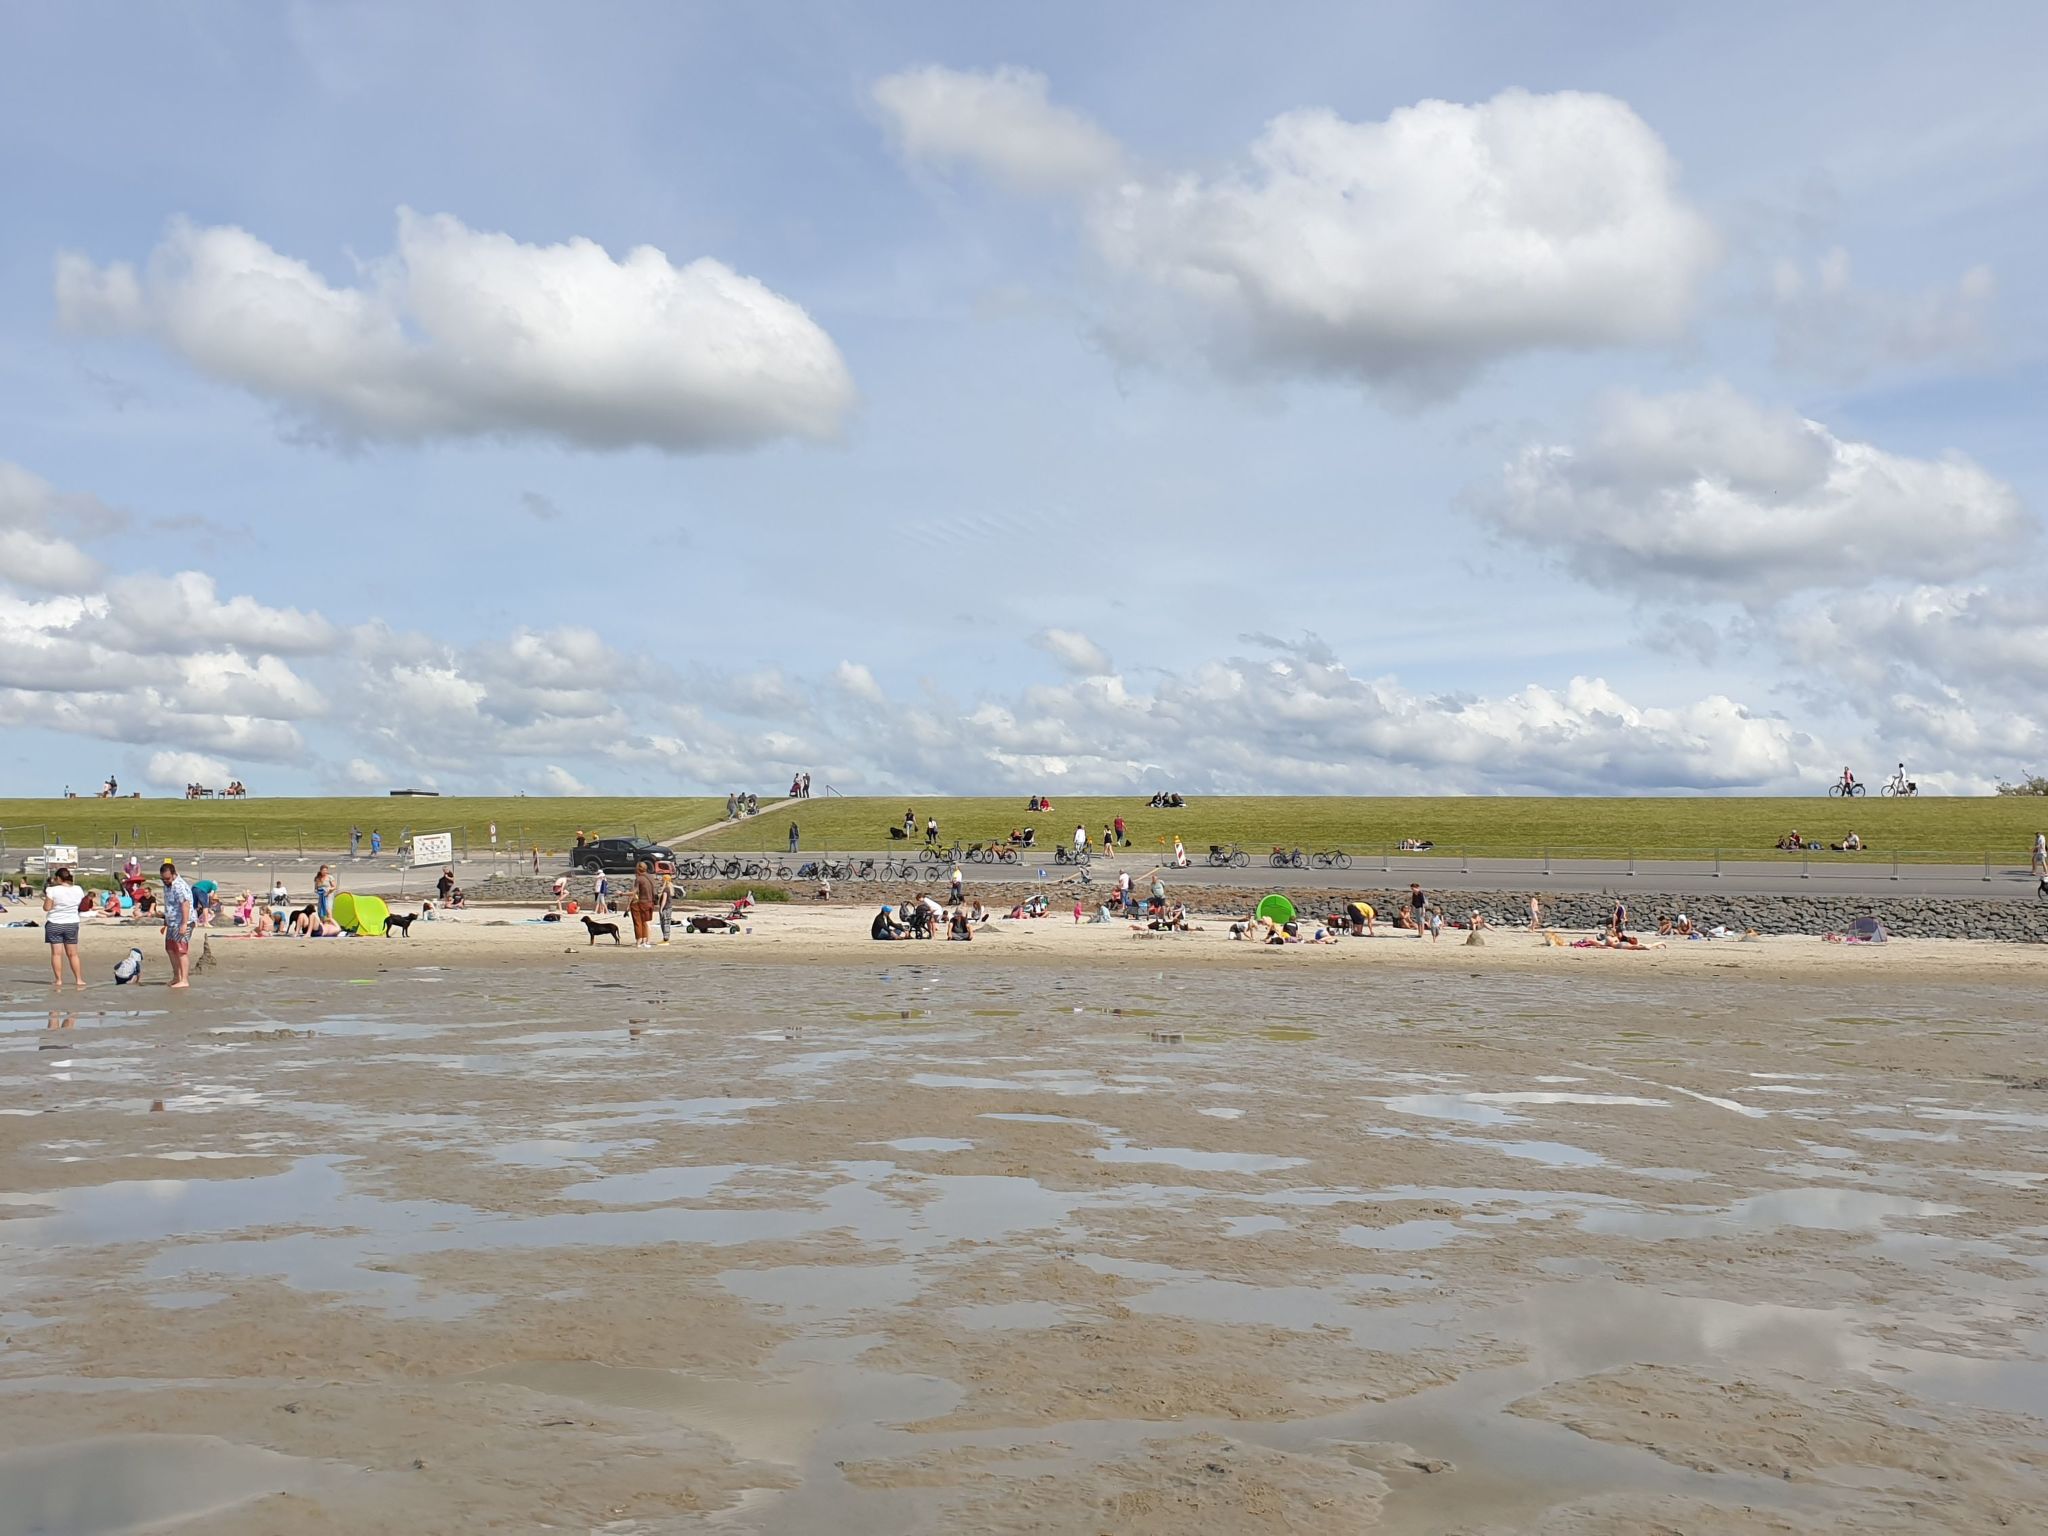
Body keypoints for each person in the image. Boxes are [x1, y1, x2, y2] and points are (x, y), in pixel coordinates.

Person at [43, 866, 85, 990]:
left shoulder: (52, 890)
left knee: (56, 954)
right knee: (73, 954)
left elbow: (47, 908)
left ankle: (59, 980)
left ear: (58, 878)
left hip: (55, 922)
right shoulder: (78, 889)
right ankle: (79, 979)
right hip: (72, 923)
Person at [160, 861, 195, 989]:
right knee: (170, 948)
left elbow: (185, 904)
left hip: (183, 921)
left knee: (181, 950)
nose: (165, 881)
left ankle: (184, 980)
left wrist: (184, 924)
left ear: (174, 874)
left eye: (168, 878)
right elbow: (169, 903)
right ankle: (177, 976)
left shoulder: (179, 886)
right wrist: (166, 919)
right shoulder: (166, 885)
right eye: (163, 879)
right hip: (172, 921)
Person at [631, 860, 657, 949]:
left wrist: (621, 894)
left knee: (644, 923)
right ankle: (645, 941)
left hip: (643, 902)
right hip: (651, 902)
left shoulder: (639, 879)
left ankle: (646, 942)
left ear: (638, 869)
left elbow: (634, 892)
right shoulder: (651, 877)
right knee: (647, 922)